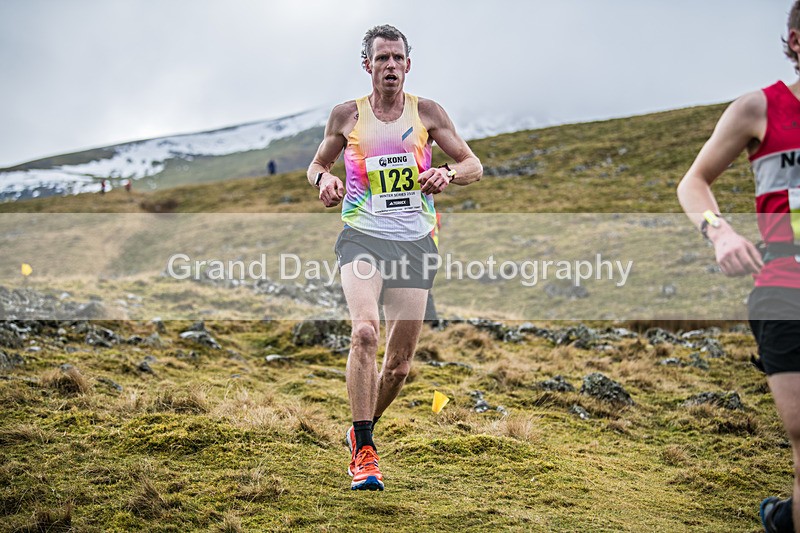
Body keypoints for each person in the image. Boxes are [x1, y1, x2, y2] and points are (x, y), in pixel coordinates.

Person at [307, 24, 482, 491]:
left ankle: (359, 428)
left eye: (397, 58)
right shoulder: (347, 116)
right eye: (381, 58)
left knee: (399, 365)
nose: (390, 66)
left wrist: (446, 173)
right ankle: (365, 450)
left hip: (415, 242)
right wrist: (323, 181)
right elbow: (318, 163)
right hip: (362, 238)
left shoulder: (427, 113)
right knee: (365, 332)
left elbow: (473, 164)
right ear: (367, 65)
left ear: (408, 64)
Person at [677, 4, 800, 530]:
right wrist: (720, 232)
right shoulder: (759, 108)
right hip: (785, 288)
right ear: (795, 42)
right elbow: (694, 181)